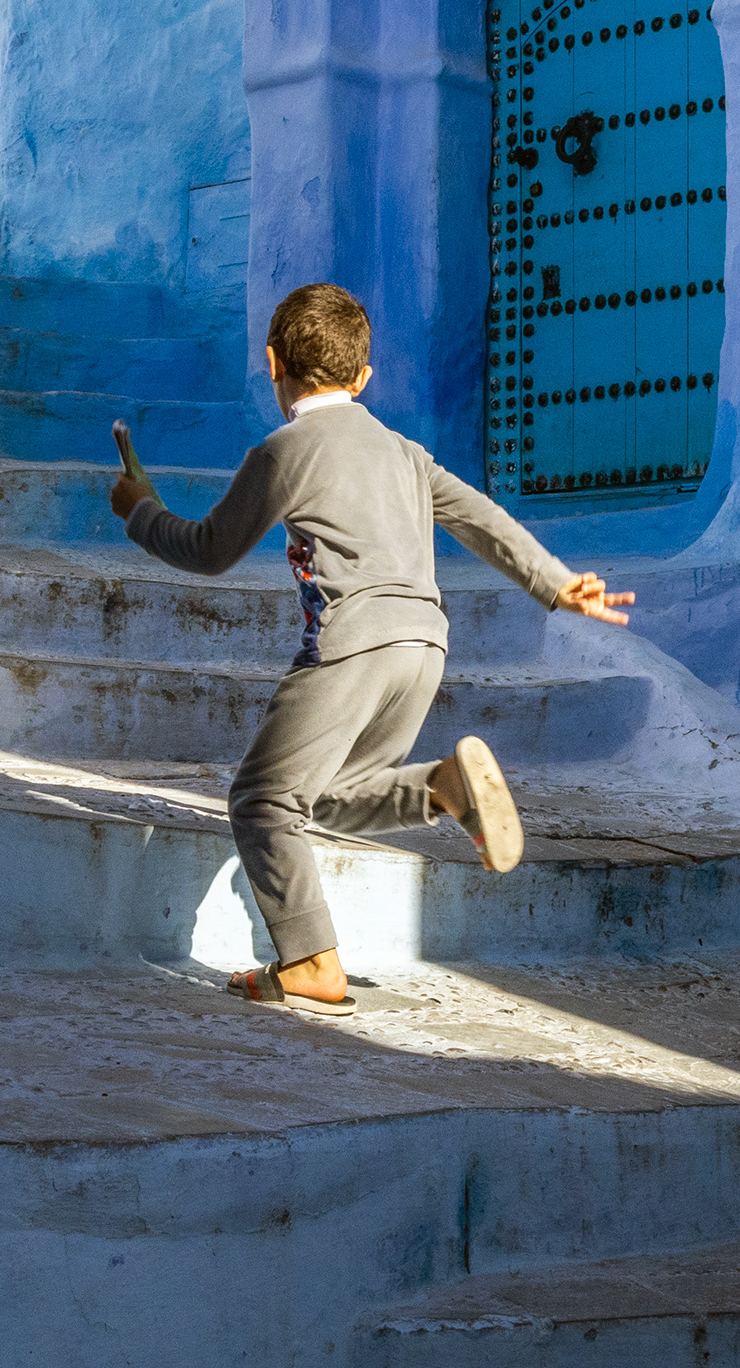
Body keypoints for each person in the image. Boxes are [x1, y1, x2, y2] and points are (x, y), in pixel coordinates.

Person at [107, 281, 632, 1016]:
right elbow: (481, 518)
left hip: (353, 642)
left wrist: (142, 513)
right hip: (424, 644)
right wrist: (556, 583)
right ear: (362, 377)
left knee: (262, 799)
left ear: (272, 362)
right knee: (325, 797)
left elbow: (210, 550)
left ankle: (312, 962)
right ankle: (444, 789)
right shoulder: (405, 452)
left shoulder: (284, 450)